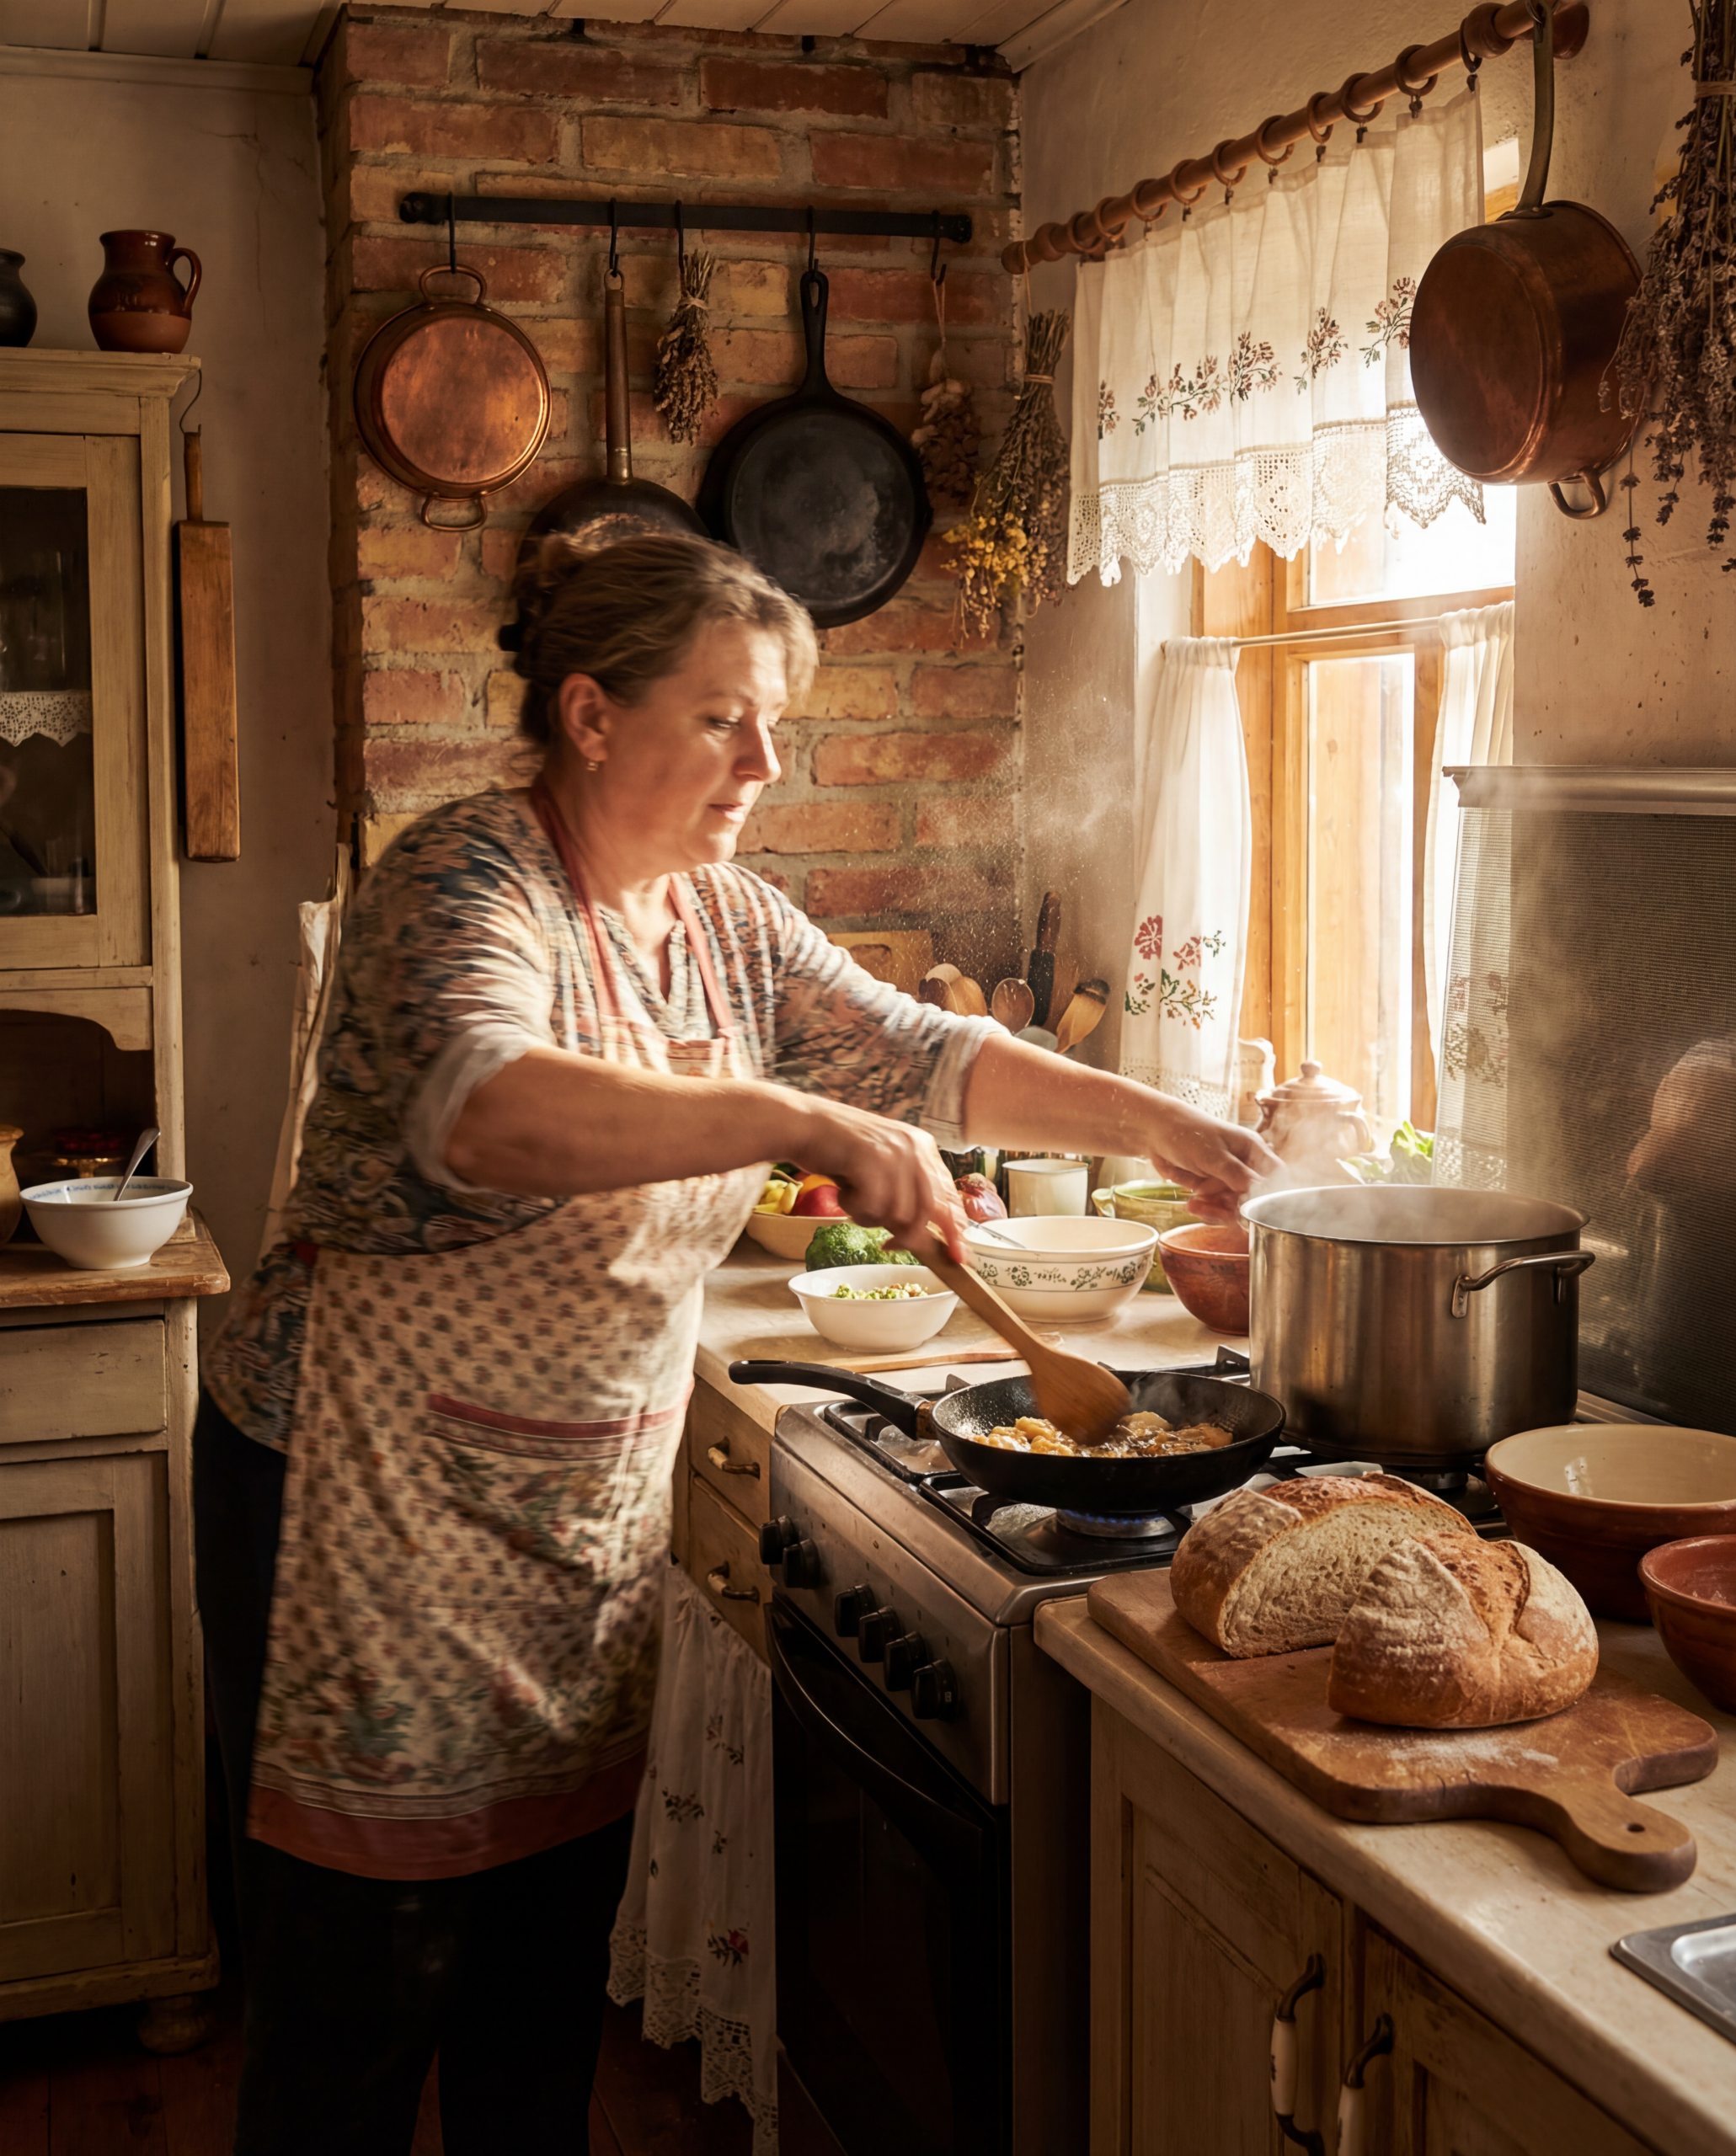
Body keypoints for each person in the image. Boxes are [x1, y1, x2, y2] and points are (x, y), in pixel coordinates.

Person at [196, 532, 1276, 2154]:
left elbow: (925, 1054)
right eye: (722, 719)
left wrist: (1168, 1126)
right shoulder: (462, 880)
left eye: (775, 723)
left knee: (533, 2004)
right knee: (351, 2019)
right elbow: (483, 1108)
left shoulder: (726, 922)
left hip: (574, 1510)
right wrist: (794, 1116)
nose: (764, 763)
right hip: (359, 1514)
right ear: (589, 716)